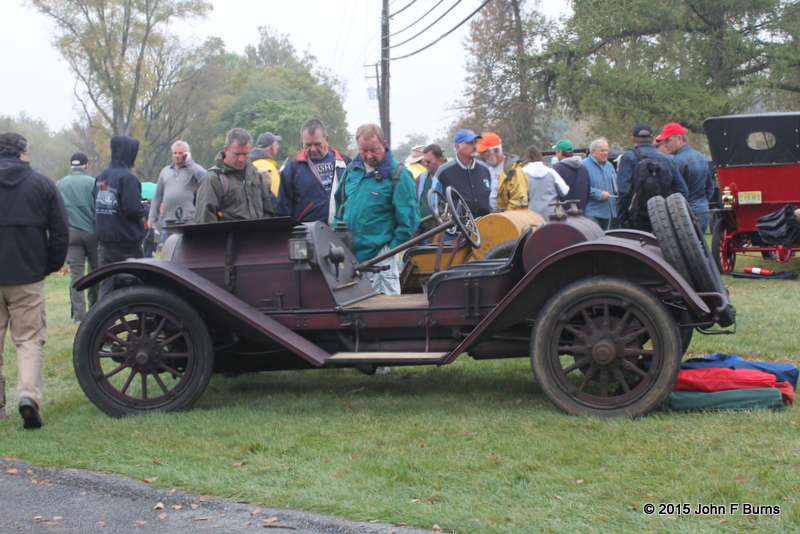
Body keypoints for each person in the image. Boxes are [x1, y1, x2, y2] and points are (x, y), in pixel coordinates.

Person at [0, 132, 69, 428]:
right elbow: (61, 229)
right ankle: (28, 397)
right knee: (28, 339)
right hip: (27, 274)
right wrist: (50, 264)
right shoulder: (41, 184)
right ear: (24, 153)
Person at [334, 124, 419, 295]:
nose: (369, 155)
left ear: (384, 144)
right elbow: (339, 206)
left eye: (374, 150)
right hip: (350, 257)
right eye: (363, 150)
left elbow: (409, 221)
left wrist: (388, 250)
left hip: (380, 261)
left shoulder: (399, 175)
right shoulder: (352, 170)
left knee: (383, 314)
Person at [94, 135, 150, 300]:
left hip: (104, 242)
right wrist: (145, 207)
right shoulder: (128, 178)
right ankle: (145, 318)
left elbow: (95, 204)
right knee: (144, 284)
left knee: (106, 286)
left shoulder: (101, 176)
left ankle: (100, 321)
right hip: (127, 243)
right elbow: (132, 209)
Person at [616, 122, 688, 230]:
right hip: (663, 217)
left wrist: (621, 217)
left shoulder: (628, 157)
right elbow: (682, 190)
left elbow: (624, 191)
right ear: (653, 139)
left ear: (633, 139)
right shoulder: (668, 159)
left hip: (636, 217)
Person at [276, 119, 349, 223]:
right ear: (302, 140)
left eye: (317, 144)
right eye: (308, 145)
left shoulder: (345, 162)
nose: (313, 149)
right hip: (307, 233)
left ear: (327, 139)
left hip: (341, 230)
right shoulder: (293, 168)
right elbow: (283, 210)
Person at [195, 128, 274, 224]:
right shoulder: (212, 179)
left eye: (245, 154)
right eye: (237, 154)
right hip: (226, 238)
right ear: (226, 150)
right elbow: (204, 222)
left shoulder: (255, 176)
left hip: (256, 237)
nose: (241, 159)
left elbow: (267, 213)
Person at [56, 152, 98, 322]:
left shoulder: (60, 184)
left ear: (70, 165)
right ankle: (96, 310)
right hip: (93, 234)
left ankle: (79, 316)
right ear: (86, 165)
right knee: (96, 274)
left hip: (71, 235)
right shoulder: (93, 183)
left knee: (76, 276)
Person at [656, 122, 714, 233]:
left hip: (684, 214)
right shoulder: (701, 157)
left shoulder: (676, 162)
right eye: (663, 142)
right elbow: (709, 188)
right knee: (699, 247)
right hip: (702, 211)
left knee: (684, 249)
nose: (665, 144)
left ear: (679, 138)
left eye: (668, 140)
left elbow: (671, 191)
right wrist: (702, 204)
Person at [432, 129, 491, 217]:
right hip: (457, 228)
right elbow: (435, 203)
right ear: (457, 147)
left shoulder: (485, 169)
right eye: (469, 143)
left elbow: (490, 198)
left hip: (485, 226)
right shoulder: (443, 172)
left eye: (475, 142)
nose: (475, 146)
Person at [147, 140, 206, 229]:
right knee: (170, 243)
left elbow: (205, 177)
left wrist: (190, 161)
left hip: (189, 219)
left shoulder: (192, 169)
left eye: (180, 153)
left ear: (186, 154)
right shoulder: (165, 171)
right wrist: (151, 217)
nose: (177, 156)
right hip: (169, 219)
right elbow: (157, 196)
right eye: (175, 153)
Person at [477, 132, 527, 211]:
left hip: (503, 220)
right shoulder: (483, 169)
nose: (481, 156)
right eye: (479, 153)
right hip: (486, 219)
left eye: (484, 153)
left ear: (496, 151)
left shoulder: (513, 171)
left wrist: (501, 219)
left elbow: (518, 201)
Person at [521, 145, 570, 219]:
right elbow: (564, 191)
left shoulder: (522, 173)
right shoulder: (551, 172)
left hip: (530, 217)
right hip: (551, 216)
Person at [582, 138, 618, 230]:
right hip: (593, 213)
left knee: (608, 241)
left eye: (606, 150)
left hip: (610, 213)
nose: (605, 153)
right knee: (595, 240)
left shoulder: (609, 166)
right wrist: (599, 194)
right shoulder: (583, 166)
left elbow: (616, 184)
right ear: (593, 152)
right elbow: (582, 188)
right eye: (602, 150)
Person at [552, 140, 590, 213]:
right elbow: (588, 191)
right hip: (581, 214)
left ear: (560, 152)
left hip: (563, 216)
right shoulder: (584, 168)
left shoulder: (557, 170)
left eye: (556, 151)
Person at [417, 144, 444, 234]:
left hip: (441, 231)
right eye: (424, 161)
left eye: (428, 161)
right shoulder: (420, 179)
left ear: (440, 160)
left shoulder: (448, 178)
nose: (425, 164)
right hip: (421, 231)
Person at [250, 132, 282, 197]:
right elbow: (274, 193)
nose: (277, 147)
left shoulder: (249, 163)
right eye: (277, 145)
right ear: (273, 147)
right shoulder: (269, 167)